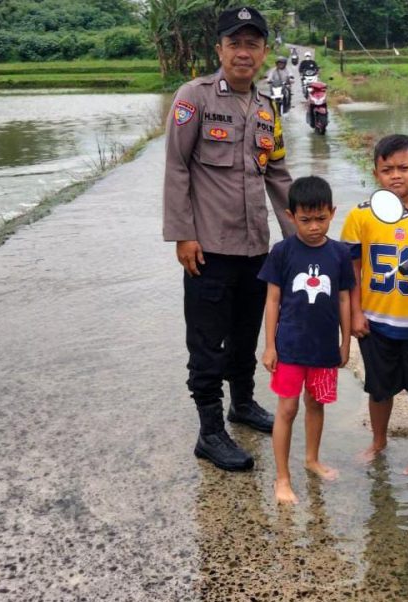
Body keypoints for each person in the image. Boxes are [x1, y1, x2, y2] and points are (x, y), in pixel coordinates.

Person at [163, 6, 296, 472]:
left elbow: (278, 175)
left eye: (252, 44)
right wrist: (182, 234)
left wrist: (298, 240)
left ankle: (242, 404)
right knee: (207, 344)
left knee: (244, 335)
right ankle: (210, 431)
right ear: (219, 49)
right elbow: (178, 167)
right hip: (209, 250)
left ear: (263, 52)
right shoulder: (193, 98)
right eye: (234, 43)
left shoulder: (266, 109)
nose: (244, 52)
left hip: (255, 249)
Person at [340, 134, 408, 476]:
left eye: (404, 168)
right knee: (379, 388)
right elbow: (352, 270)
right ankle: (378, 441)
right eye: (387, 169)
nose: (396, 176)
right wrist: (355, 313)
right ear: (375, 174)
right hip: (376, 322)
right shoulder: (361, 216)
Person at [258, 176, 354, 504]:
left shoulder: (339, 254)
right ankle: (282, 478)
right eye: (306, 220)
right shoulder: (282, 253)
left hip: (324, 348)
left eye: (321, 219)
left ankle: (312, 459)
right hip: (290, 347)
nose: (314, 227)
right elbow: (272, 300)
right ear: (290, 216)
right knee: (287, 409)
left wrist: (345, 343)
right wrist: (269, 345)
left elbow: (344, 300)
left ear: (333, 212)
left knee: (316, 404)